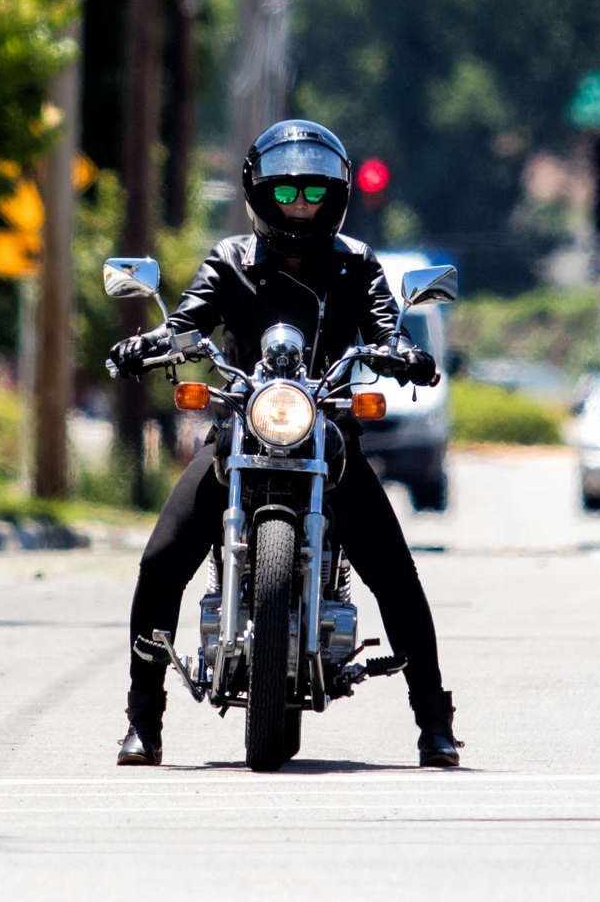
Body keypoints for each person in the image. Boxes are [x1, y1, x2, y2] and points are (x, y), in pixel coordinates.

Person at [106, 119, 459, 768]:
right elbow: (188, 321)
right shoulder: (231, 260)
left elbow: (387, 323)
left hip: (326, 431)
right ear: (260, 193)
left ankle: (434, 721)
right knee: (161, 559)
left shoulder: (355, 264)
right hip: (245, 423)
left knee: (395, 572)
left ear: (337, 196)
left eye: (314, 193)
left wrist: (407, 352)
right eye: (288, 191)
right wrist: (152, 342)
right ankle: (142, 719)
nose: (300, 204)